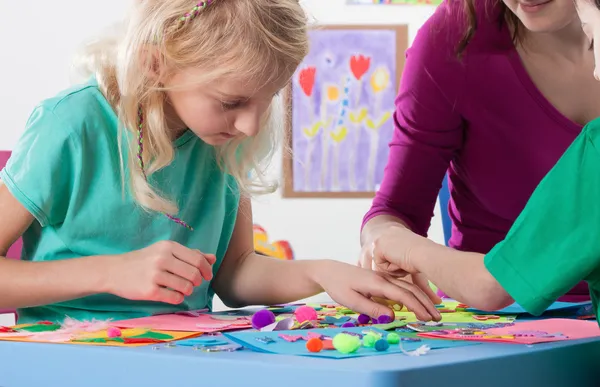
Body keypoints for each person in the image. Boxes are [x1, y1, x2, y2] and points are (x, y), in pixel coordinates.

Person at [0, 0, 441, 324]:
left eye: (268, 99)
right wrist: (109, 272)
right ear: (156, 65)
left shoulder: (220, 142)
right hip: (66, 357)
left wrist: (323, 273)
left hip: (186, 355)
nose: (250, 126)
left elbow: (235, 275)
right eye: (233, 101)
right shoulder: (70, 126)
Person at [369, 0, 600, 324]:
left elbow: (491, 286)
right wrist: (383, 242)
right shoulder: (453, 37)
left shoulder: (593, 154)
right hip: (497, 327)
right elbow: (394, 210)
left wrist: (408, 250)